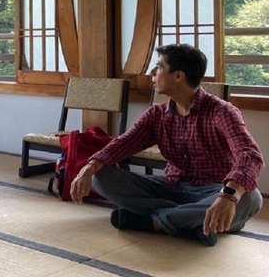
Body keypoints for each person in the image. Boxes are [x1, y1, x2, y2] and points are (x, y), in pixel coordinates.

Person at [70, 44, 264, 246]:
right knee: (100, 176)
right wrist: (90, 167)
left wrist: (228, 196)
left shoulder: (222, 112)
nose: (152, 73)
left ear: (178, 76)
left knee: (251, 198)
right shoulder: (157, 114)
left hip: (212, 191)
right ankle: (188, 221)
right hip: (170, 188)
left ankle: (158, 221)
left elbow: (249, 155)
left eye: (159, 67)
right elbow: (124, 143)